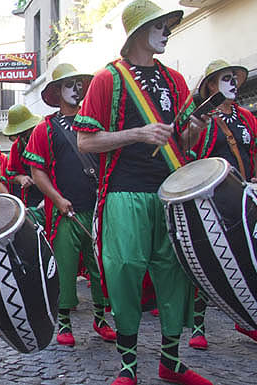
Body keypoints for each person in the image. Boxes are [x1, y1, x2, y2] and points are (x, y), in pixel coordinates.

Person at [74, 1, 211, 383]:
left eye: (168, 26)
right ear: (137, 32)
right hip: (123, 192)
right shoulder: (107, 78)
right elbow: (86, 141)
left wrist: (195, 127)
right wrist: (138, 133)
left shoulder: (175, 81)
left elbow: (182, 140)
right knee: (124, 273)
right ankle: (128, 365)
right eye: (159, 26)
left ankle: (171, 361)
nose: (167, 32)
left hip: (170, 193)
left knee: (174, 273)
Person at [23, 63, 116, 346]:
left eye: (79, 84)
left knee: (101, 266)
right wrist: (57, 199)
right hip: (65, 212)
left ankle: (101, 319)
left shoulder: (96, 124)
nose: (76, 89)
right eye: (69, 84)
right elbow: (37, 172)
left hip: (98, 209)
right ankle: (63, 322)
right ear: (56, 91)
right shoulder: (45, 129)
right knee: (64, 267)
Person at [186, 59, 257, 349]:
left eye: (235, 77)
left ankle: (246, 321)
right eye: (226, 78)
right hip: (210, 201)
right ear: (211, 85)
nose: (233, 83)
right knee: (206, 261)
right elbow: (189, 155)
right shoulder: (202, 119)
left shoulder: (246, 117)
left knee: (248, 260)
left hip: (243, 199)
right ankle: (197, 326)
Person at [2, 104, 44, 225]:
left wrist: (50, 198)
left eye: (25, 133)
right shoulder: (17, 146)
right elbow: (11, 175)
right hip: (31, 198)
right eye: (19, 134)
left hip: (52, 196)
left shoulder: (46, 139)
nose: (24, 137)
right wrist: (21, 178)